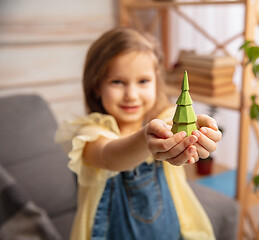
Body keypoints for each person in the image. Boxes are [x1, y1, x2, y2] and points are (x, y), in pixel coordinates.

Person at [55, 27, 222, 240]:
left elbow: (181, 128)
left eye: (143, 81)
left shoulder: (166, 118)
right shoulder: (91, 132)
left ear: (156, 82)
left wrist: (200, 134)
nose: (131, 95)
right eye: (117, 82)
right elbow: (109, 156)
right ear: (96, 85)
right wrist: (146, 139)